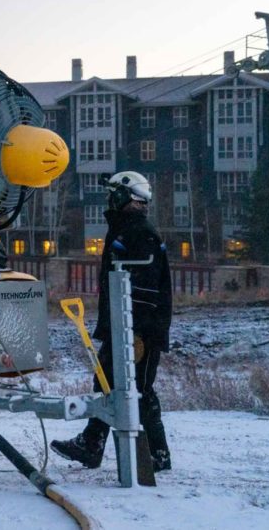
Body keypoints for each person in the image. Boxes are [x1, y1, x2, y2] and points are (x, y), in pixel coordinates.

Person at [52, 171, 173, 472]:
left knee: (139, 388)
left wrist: (135, 333)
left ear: (126, 196)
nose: (109, 200)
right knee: (106, 383)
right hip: (121, 327)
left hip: (138, 330)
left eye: (113, 194)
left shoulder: (140, 233)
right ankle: (91, 444)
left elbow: (145, 290)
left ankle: (158, 454)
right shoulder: (124, 230)